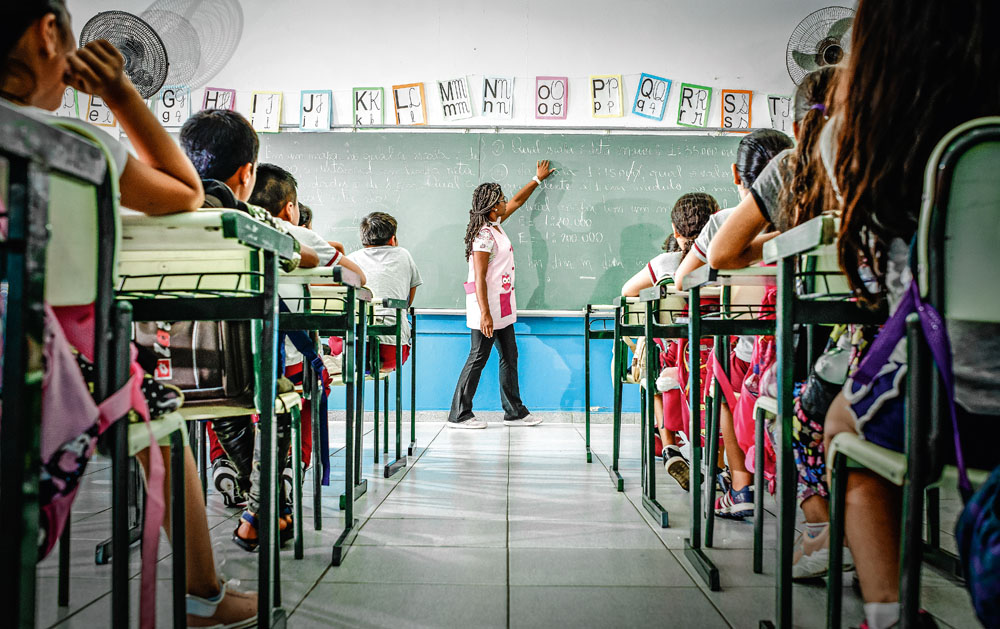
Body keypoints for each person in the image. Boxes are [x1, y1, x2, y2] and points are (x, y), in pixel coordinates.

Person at [2, 3, 257, 626]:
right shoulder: (78, 147)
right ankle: (203, 597)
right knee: (163, 426)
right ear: (50, 30)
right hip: (60, 377)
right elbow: (184, 192)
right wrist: (118, 92)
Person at [819, 1, 1000, 627]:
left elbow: (872, 285)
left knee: (841, 424)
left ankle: (890, 616)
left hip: (952, 398)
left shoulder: (860, 132)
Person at [621, 192, 721, 490]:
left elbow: (628, 292)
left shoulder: (666, 262)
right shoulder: (727, 257)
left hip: (677, 359)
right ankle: (719, 468)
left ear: (675, 232)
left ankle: (669, 446)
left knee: (655, 365)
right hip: (717, 359)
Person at [447, 160, 555, 428]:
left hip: (501, 304)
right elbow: (479, 277)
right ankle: (458, 414)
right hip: (486, 307)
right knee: (478, 356)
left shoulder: (495, 224)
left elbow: (518, 201)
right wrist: (485, 314)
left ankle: (514, 412)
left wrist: (537, 179)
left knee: (510, 355)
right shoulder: (483, 236)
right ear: (493, 206)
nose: (506, 203)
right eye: (502, 200)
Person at [345, 211, 422, 369]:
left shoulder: (350, 260)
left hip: (352, 349)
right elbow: (409, 295)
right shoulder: (403, 255)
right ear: (393, 239)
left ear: (363, 239)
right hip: (392, 350)